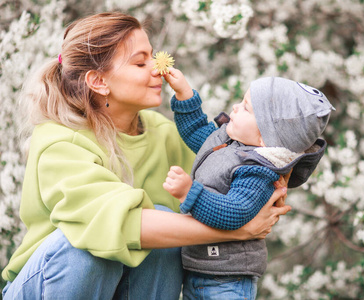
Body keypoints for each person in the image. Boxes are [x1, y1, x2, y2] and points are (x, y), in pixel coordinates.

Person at [1, 12, 291, 300]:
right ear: (98, 81)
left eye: (153, 57)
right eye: (140, 62)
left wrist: (265, 179)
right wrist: (237, 233)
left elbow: (226, 182)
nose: (157, 69)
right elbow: (121, 225)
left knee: (164, 233)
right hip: (46, 286)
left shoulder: (164, 133)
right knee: (87, 244)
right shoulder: (59, 140)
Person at [162, 70, 335, 299]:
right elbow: (197, 132)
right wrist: (184, 94)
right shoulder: (230, 144)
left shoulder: (258, 171)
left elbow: (235, 212)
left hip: (227, 280)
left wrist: (189, 193)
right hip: (201, 270)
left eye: (246, 108)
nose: (235, 107)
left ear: (265, 138)